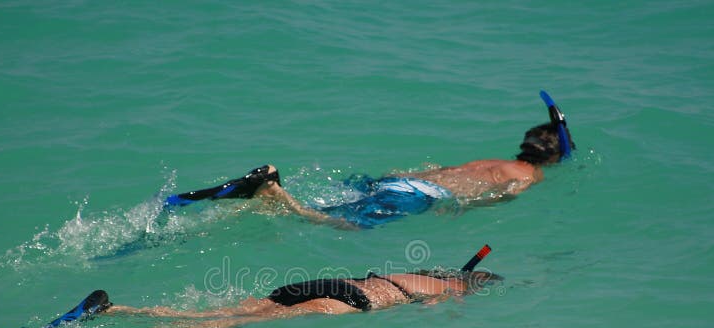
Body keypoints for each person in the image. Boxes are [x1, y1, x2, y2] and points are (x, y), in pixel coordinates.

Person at [169, 91, 576, 228]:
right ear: (553, 157)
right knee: (343, 225)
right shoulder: (531, 174)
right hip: (418, 194)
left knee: (340, 204)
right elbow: (503, 196)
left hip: (393, 181)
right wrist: (462, 207)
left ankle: (266, 189)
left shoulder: (489, 160)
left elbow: (445, 172)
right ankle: (277, 194)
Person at [107, 268, 499, 328]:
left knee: (233, 309)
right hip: (351, 300)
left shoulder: (412, 273)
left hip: (329, 281)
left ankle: (116, 309)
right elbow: (433, 312)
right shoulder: (448, 289)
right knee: (242, 324)